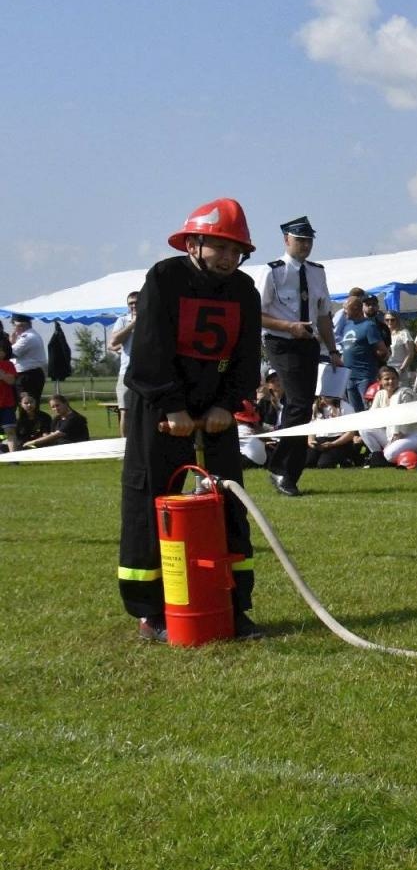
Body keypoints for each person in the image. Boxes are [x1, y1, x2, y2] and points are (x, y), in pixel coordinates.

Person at [118, 198, 261, 642]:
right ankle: (151, 612)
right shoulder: (165, 279)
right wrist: (172, 406)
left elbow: (246, 356)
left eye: (236, 250)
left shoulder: (244, 290)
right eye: (220, 247)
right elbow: (150, 348)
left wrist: (226, 405)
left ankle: (233, 605)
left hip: (215, 410)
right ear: (193, 243)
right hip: (159, 410)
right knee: (150, 505)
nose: (228, 258)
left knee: (227, 504)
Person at [260, 216, 341, 498]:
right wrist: (288, 327)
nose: (305, 245)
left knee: (304, 408)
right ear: (286, 240)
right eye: (300, 240)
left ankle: (288, 472)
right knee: (298, 403)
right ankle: (281, 468)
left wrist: (333, 350)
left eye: (309, 240)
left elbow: (324, 315)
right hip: (281, 342)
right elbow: (256, 314)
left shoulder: (317, 272)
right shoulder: (272, 272)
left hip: (309, 343)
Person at [359, 365, 417, 466]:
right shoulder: (380, 394)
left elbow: (407, 416)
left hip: (411, 435)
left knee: (390, 454)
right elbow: (372, 417)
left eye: (393, 378)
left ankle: (389, 457)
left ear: (398, 379)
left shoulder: (405, 393)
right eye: (387, 379)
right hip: (391, 435)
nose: (391, 381)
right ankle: (378, 458)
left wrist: (399, 433)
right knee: (364, 429)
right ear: (379, 381)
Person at [337, 289, 388, 412]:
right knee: (356, 412)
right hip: (349, 377)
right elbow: (346, 348)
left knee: (369, 409)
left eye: (346, 309)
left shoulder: (369, 326)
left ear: (355, 309)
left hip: (365, 377)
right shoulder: (347, 326)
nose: (344, 312)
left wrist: (370, 358)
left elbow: (382, 350)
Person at [108, 292, 139, 437]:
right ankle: (124, 443)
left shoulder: (151, 318)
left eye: (136, 302)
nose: (134, 305)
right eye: (130, 303)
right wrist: (133, 324)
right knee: (125, 410)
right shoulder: (122, 320)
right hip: (126, 372)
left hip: (148, 372)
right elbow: (113, 341)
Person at [7, 314, 46, 414]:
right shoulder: (29, 336)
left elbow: (9, 354)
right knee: (27, 406)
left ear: (21, 325)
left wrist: (10, 342)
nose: (14, 329)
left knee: (27, 406)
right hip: (29, 375)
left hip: (27, 376)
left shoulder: (27, 337)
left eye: (14, 325)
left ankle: (28, 424)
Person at [23, 394, 90, 448]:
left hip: (76, 446)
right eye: (53, 407)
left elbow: (57, 435)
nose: (56, 409)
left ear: (66, 403)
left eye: (57, 405)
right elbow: (51, 435)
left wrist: (33, 442)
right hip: (60, 445)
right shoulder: (56, 418)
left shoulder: (74, 418)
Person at [383, 311, 415, 381]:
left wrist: (402, 369)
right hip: (386, 370)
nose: (390, 322)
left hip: (400, 369)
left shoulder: (404, 333)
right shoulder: (383, 335)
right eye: (387, 320)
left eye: (392, 320)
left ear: (397, 320)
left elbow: (410, 354)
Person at [0, 336, 16, 451]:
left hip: (6, 404)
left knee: (10, 431)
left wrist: (2, 375)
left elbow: (11, 381)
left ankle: (13, 457)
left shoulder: (8, 364)